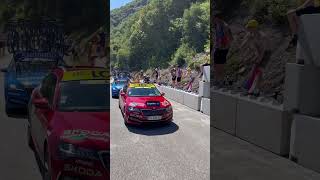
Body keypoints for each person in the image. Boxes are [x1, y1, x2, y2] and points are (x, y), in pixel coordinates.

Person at [240, 19, 272, 95]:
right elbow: (244, 44)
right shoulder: (250, 34)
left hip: (266, 52)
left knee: (259, 71)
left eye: (250, 28)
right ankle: (253, 88)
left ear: (255, 28)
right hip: (258, 51)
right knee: (255, 70)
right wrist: (242, 48)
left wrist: (259, 59)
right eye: (248, 28)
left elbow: (263, 50)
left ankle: (256, 89)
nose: (249, 30)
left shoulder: (262, 37)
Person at [213, 11, 233, 86]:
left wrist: (226, 46)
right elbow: (217, 37)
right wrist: (216, 45)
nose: (214, 20)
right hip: (218, 47)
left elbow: (228, 37)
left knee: (221, 64)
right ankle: (217, 79)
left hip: (223, 48)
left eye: (215, 18)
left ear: (218, 18)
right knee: (216, 64)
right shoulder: (217, 25)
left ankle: (221, 80)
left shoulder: (225, 26)